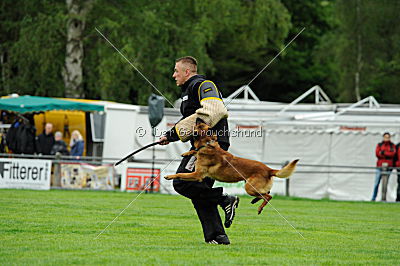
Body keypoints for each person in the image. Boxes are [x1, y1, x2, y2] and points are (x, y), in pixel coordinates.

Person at [159, 56, 239, 245]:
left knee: (182, 182)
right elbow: (194, 120)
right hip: (202, 147)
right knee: (199, 190)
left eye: (176, 71)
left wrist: (173, 133)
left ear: (187, 72)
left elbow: (215, 110)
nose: (173, 75)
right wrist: (171, 136)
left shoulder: (204, 85)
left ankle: (224, 199)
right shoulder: (188, 91)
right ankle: (217, 237)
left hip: (212, 146)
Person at [371, 132, 396, 201]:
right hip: (379, 166)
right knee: (376, 182)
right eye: (385, 137)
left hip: (388, 167)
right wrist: (386, 154)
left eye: (388, 137)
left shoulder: (392, 145)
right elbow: (377, 154)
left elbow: (393, 154)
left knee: (385, 184)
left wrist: (383, 152)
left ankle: (383, 198)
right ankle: (373, 197)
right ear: (383, 137)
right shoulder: (379, 145)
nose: (386, 138)